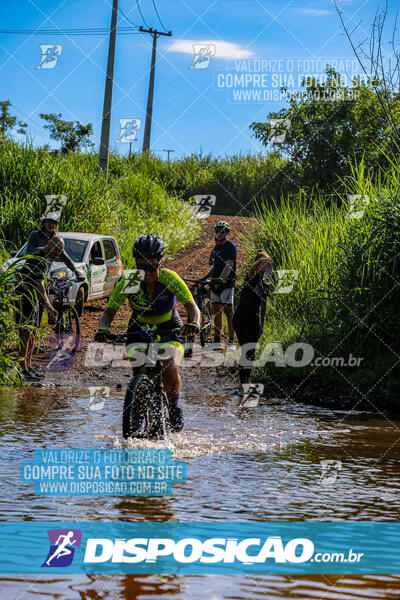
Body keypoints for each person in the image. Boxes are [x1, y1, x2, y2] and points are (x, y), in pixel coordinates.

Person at [94, 234, 201, 432]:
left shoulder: (170, 278)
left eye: (152, 266)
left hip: (169, 327)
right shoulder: (130, 280)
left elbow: (193, 307)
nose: (147, 272)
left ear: (161, 262)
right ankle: (139, 418)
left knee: (169, 367)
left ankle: (174, 407)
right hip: (138, 327)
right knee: (139, 370)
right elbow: (109, 312)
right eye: (141, 267)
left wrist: (193, 324)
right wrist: (103, 329)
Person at [16, 236, 64, 382]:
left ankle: (28, 367)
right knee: (25, 333)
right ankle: (22, 369)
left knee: (32, 333)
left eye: (60, 250)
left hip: (34, 300)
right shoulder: (38, 256)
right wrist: (48, 305)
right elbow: (39, 283)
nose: (57, 252)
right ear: (49, 243)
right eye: (56, 248)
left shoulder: (47, 258)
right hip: (25, 298)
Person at [233, 250, 273, 386]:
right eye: (261, 262)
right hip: (241, 318)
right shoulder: (250, 277)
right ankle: (243, 380)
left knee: (252, 350)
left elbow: (264, 303)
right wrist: (260, 261)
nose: (264, 265)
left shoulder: (266, 281)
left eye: (266, 262)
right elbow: (252, 270)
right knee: (246, 348)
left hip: (254, 319)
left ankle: (247, 378)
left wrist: (262, 324)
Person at [202, 221, 237, 351]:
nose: (220, 233)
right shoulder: (215, 248)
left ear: (227, 232)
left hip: (227, 284)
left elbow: (229, 265)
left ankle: (232, 342)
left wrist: (221, 279)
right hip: (215, 283)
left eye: (222, 231)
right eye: (217, 231)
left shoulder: (231, 247)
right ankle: (217, 340)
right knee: (216, 311)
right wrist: (205, 278)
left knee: (228, 311)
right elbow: (214, 268)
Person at [25, 212, 85, 283]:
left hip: (45, 275)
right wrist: (44, 250)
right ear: (44, 223)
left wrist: (76, 272)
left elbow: (65, 258)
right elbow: (29, 254)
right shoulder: (34, 235)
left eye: (54, 223)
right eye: (49, 222)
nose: (51, 225)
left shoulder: (56, 239)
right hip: (31, 272)